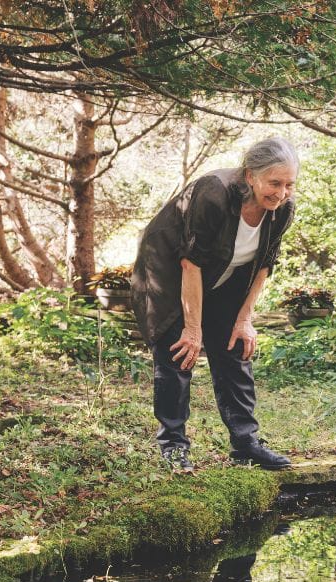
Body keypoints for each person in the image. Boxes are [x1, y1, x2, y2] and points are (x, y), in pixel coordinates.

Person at [131, 137, 298, 472]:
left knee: (235, 350)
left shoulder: (281, 211)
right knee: (179, 351)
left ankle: (246, 444)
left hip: (225, 275)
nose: (281, 194)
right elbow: (191, 263)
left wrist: (244, 318)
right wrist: (193, 329)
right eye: (274, 183)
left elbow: (265, 264)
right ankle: (174, 447)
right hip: (170, 271)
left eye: (289, 184)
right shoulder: (213, 194)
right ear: (251, 176)